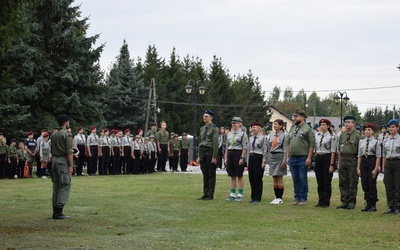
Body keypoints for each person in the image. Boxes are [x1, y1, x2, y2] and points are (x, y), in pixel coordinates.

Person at [286, 110, 315, 206]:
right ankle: (296, 197)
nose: (294, 118)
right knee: (295, 178)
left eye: (296, 116)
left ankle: (303, 198)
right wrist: (287, 156)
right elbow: (288, 143)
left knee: (302, 178)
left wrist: (309, 158)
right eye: (294, 116)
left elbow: (311, 144)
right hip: (293, 157)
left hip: (303, 157)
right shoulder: (293, 128)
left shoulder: (307, 128)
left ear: (303, 117)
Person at [50, 114, 74, 219]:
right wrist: (71, 166)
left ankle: (55, 210)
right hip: (62, 161)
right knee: (64, 184)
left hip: (54, 160)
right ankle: (59, 211)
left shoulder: (54, 134)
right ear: (66, 122)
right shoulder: (67, 134)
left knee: (56, 185)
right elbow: (69, 151)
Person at [337, 115, 362, 210]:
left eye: (348, 122)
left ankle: (352, 201)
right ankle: (344, 201)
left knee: (352, 181)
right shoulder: (342, 135)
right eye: (345, 122)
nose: (346, 124)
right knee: (343, 181)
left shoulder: (357, 136)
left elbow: (360, 152)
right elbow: (339, 149)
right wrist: (339, 163)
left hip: (352, 158)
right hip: (343, 158)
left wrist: (358, 165)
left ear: (354, 123)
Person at [356, 123, 380, 212]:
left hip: (372, 161)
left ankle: (373, 204)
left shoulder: (376, 142)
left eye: (369, 130)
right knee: (364, 183)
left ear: (373, 131)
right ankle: (367, 203)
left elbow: (378, 156)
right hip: (364, 162)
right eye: (365, 130)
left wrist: (376, 168)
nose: (367, 131)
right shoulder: (361, 142)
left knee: (371, 183)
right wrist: (358, 167)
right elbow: (359, 155)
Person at [224, 117, 248, 202]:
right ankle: (232, 194)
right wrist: (226, 157)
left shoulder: (243, 134)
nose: (233, 125)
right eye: (232, 123)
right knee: (232, 175)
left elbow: (245, 147)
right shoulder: (230, 134)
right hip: (230, 153)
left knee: (239, 175)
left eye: (235, 123)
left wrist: (242, 157)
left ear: (239, 124)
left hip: (238, 153)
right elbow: (227, 146)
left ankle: (240, 194)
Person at [314, 119, 337, 208]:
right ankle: (320, 200)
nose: (322, 126)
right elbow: (316, 148)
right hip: (319, 157)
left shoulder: (332, 136)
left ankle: (326, 202)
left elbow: (333, 151)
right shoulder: (317, 135)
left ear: (328, 126)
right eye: (321, 125)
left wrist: (331, 164)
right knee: (319, 181)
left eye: (324, 125)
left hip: (327, 157)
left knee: (326, 181)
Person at [197, 110, 219, 200]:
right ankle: (205, 193)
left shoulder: (214, 129)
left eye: (206, 116)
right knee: (205, 174)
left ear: (211, 118)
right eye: (204, 116)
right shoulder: (202, 129)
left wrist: (214, 156)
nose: (204, 118)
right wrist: (199, 156)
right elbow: (200, 142)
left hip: (209, 151)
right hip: (202, 151)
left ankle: (210, 194)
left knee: (211, 174)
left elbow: (215, 143)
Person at [266, 119, 288, 204]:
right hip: (272, 156)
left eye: (276, 124)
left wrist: (284, 161)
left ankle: (280, 197)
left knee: (279, 177)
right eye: (274, 124)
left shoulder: (284, 135)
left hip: (280, 156)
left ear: (281, 126)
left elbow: (285, 148)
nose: (274, 126)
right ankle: (276, 196)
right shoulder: (271, 134)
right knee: (274, 177)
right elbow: (269, 146)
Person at [381, 119, 400, 214]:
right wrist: (383, 166)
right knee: (388, 185)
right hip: (388, 162)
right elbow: (384, 154)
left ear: (397, 128)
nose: (391, 129)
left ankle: (398, 206)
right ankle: (390, 206)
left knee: (398, 186)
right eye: (389, 127)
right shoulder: (386, 139)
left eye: (393, 127)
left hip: (397, 162)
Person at [247, 122, 266, 203]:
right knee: (251, 177)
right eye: (252, 127)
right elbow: (248, 150)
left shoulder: (263, 138)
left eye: (254, 127)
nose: (252, 129)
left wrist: (264, 161)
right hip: (251, 157)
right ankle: (253, 196)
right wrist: (247, 161)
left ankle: (258, 197)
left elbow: (265, 150)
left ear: (259, 128)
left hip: (259, 157)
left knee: (257, 177)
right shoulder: (251, 138)